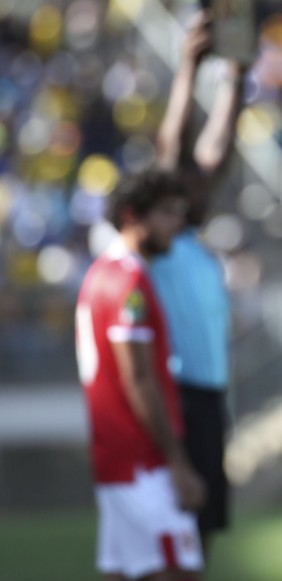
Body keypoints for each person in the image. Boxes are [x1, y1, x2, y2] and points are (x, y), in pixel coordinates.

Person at [75, 169, 205, 581]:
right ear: (132, 216)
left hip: (117, 461)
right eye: (167, 213)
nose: (177, 224)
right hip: (142, 465)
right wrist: (177, 462)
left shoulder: (101, 274)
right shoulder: (127, 281)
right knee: (177, 572)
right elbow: (139, 380)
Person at [150, 9, 247, 558]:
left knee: (203, 528)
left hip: (208, 398)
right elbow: (173, 147)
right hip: (176, 395)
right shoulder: (160, 242)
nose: (204, 180)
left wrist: (235, 78)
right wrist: (188, 67)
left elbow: (221, 145)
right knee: (175, 529)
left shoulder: (197, 248)